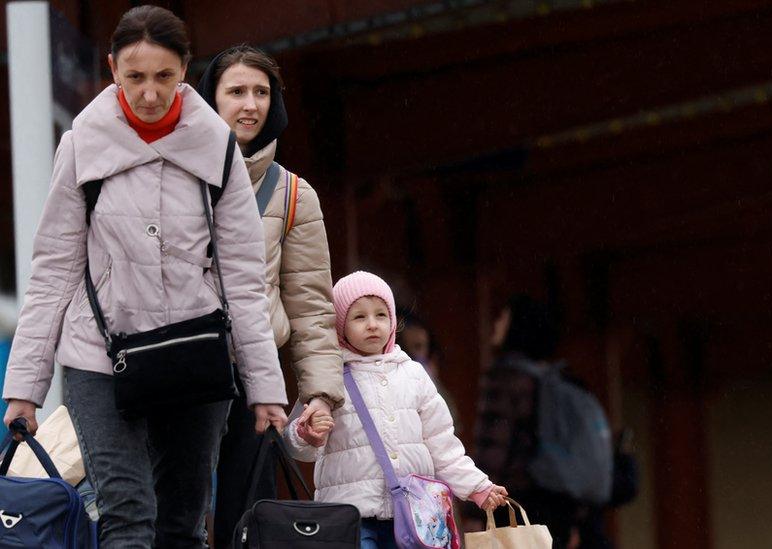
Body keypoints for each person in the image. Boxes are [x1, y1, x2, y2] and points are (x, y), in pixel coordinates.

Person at [1, 6, 288, 547]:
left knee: (182, 524)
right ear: (113, 70)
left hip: (195, 356)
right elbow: (54, 271)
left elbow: (244, 278)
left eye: (163, 76)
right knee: (126, 516)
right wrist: (24, 389)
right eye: (135, 77)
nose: (150, 93)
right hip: (99, 358)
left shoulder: (216, 147)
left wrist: (265, 388)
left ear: (184, 69)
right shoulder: (82, 144)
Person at [198, 45, 344, 548]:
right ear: (209, 100)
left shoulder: (293, 195)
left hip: (254, 379)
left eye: (261, 92)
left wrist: (320, 393)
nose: (250, 104)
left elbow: (311, 307)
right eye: (236, 91)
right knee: (176, 514)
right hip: (181, 369)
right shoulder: (176, 175)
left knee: (248, 523)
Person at [283, 271, 508, 549]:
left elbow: (443, 445)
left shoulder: (414, 375)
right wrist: (307, 434)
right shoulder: (328, 376)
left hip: (415, 515)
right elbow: (299, 446)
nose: (372, 325)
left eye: (381, 315)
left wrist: (477, 487)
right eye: (359, 317)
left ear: (393, 321)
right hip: (351, 514)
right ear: (339, 324)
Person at [474, 294, 583, 549]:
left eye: (503, 317)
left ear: (517, 325)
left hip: (513, 501)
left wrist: (475, 506)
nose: (496, 324)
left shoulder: (506, 378)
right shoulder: (552, 380)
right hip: (556, 503)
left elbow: (494, 447)